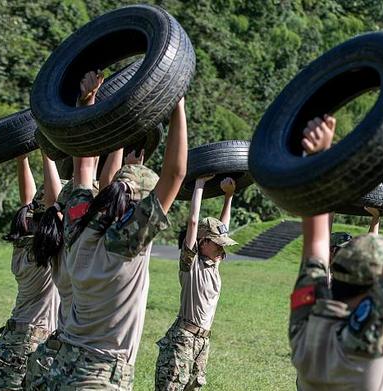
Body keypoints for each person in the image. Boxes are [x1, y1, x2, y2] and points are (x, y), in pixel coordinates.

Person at [44, 70, 187, 389]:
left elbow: (84, 168)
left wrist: (88, 101)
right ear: (138, 206)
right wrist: (175, 100)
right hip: (101, 372)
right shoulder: (127, 242)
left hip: (64, 364)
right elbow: (176, 174)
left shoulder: (77, 227)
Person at [289, 115, 383, 390]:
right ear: (373, 290)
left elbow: (316, 243)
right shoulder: (366, 341)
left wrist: (320, 155)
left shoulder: (306, 329)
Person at [25, 148, 132, 390]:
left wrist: (49, 152)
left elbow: (57, 201)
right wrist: (118, 140)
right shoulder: (85, 247)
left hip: (58, 351)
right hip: (82, 359)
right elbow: (106, 189)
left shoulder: (55, 245)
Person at [155, 176, 238, 390]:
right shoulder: (191, 265)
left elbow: (223, 227)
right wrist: (199, 183)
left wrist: (228, 196)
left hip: (203, 342)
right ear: (202, 242)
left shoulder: (213, 264)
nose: (222, 248)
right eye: (217, 244)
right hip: (183, 339)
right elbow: (193, 221)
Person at [0, 154, 59, 390]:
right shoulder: (48, 249)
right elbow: (55, 202)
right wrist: (49, 154)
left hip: (12, 339)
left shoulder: (23, 243)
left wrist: (21, 157)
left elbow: (28, 202)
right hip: (33, 342)